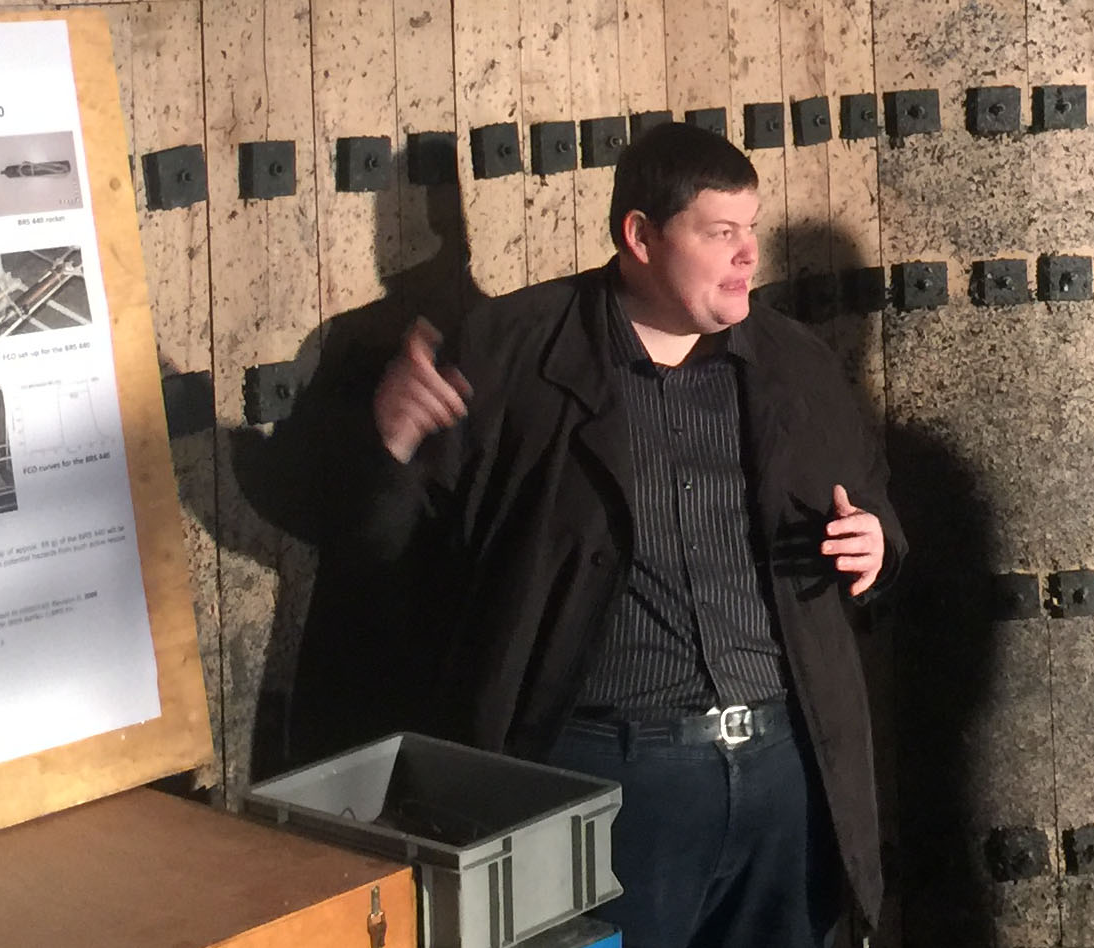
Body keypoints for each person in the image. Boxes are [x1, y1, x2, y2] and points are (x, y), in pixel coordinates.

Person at [341, 121, 902, 948]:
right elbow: (389, 553)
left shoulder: (795, 362)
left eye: (750, 228)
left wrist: (876, 544)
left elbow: (875, 508)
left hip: (785, 771)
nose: (748, 255)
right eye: (719, 232)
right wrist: (389, 449)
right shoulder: (510, 351)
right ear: (640, 236)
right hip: (606, 779)